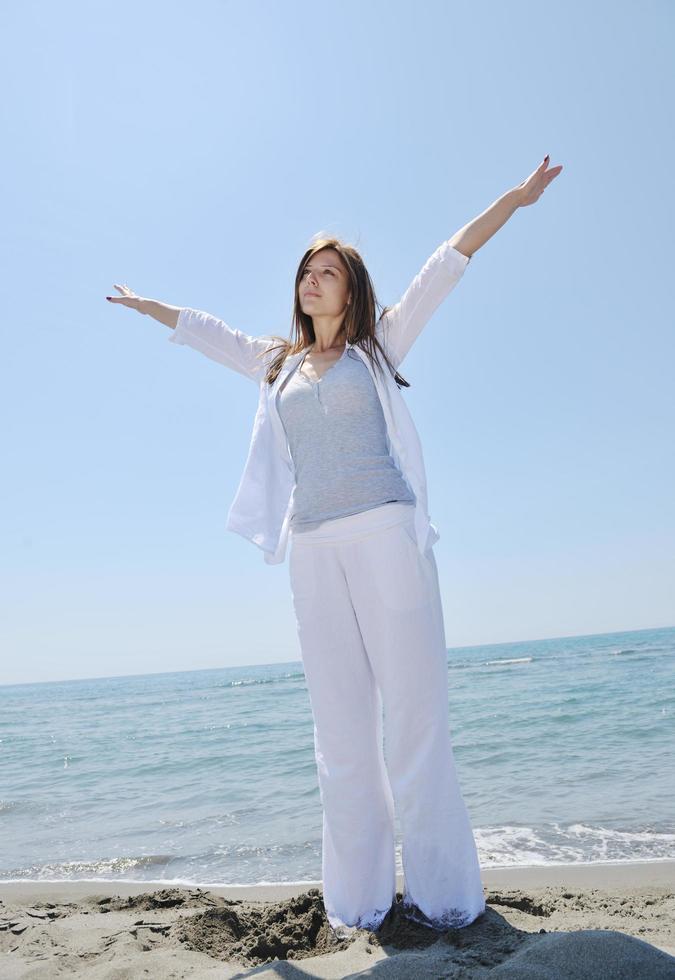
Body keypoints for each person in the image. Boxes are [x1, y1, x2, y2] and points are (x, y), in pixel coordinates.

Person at [106, 156, 562, 935]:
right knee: (341, 732)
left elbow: (441, 267)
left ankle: (447, 897)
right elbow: (207, 333)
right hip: (313, 550)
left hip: (386, 534)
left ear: (349, 288)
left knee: (413, 721)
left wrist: (512, 202)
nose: (309, 281)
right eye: (304, 272)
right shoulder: (275, 363)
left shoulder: (378, 348)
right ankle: (359, 902)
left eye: (325, 272)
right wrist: (149, 305)